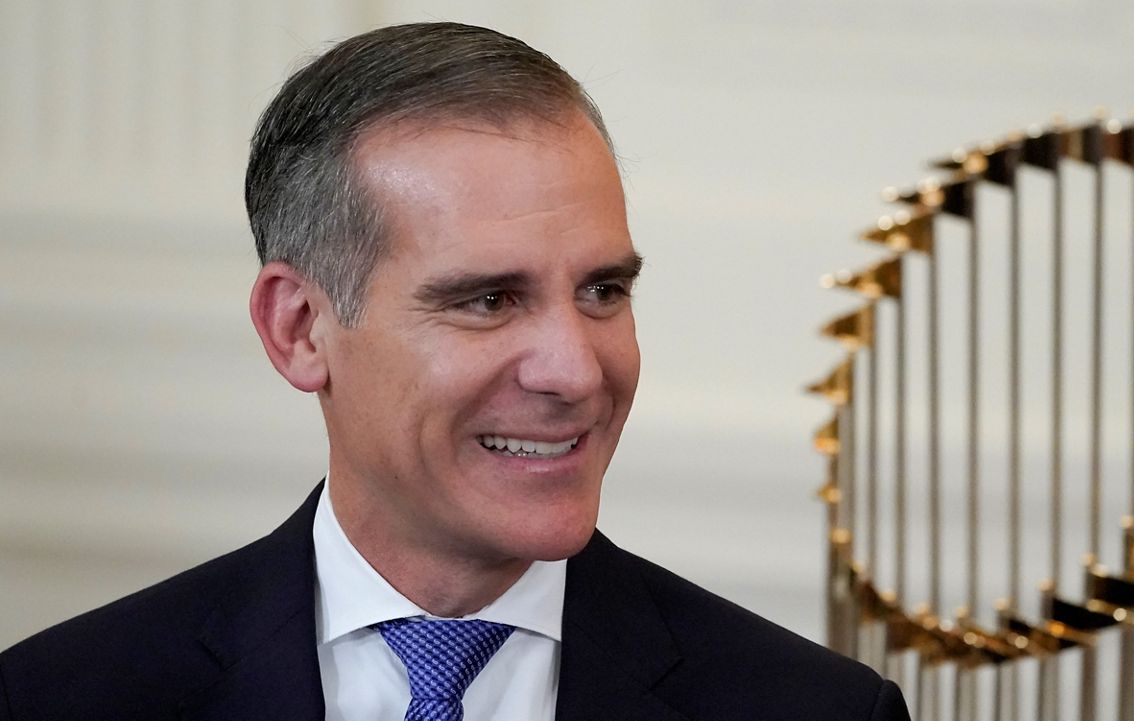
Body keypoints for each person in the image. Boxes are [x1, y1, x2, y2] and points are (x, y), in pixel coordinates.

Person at [0, 22, 908, 721]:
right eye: (488, 300)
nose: (575, 369)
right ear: (301, 328)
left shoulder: (813, 708)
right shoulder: (60, 698)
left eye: (602, 291)